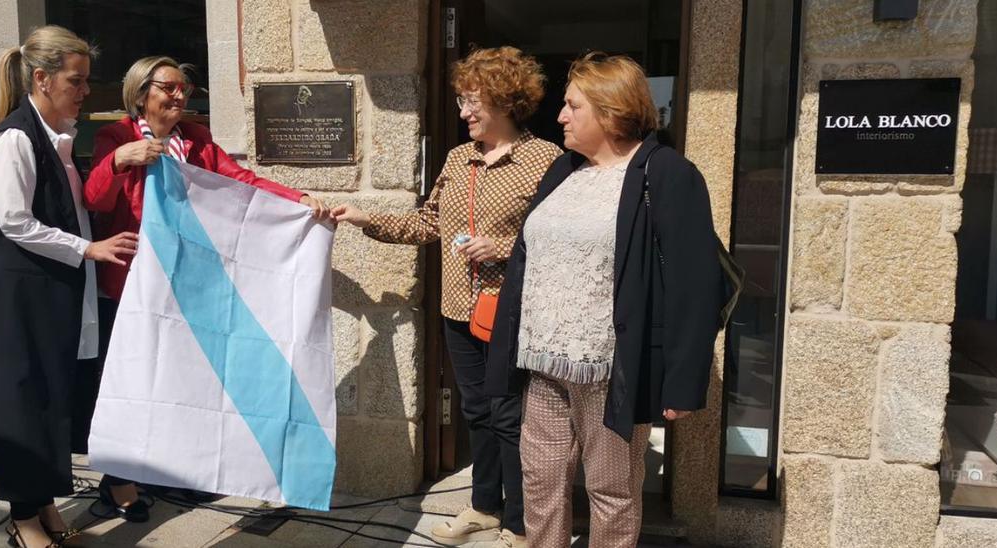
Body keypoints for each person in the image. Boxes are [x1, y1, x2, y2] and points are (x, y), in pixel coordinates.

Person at [485, 53, 722, 547]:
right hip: (542, 359)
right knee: (540, 481)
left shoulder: (666, 173)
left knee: (611, 490)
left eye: (572, 106)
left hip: (608, 366)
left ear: (610, 110)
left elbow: (694, 283)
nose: (560, 116)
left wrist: (682, 381)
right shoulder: (562, 171)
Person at [81, 55, 329, 520]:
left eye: (184, 90)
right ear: (141, 94)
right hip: (134, 281)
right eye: (169, 88)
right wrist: (119, 161)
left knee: (185, 376)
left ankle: (180, 470)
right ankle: (118, 483)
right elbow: (94, 200)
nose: (179, 97)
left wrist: (297, 200)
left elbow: (239, 182)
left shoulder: (195, 138)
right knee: (136, 379)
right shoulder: (114, 136)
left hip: (191, 282)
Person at [332, 46, 559, 548]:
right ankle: (483, 507)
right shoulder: (459, 159)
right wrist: (364, 217)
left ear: (504, 98)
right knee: (476, 411)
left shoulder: (546, 160)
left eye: (471, 101)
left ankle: (522, 525)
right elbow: (427, 222)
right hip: (458, 308)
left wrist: (499, 246)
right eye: (460, 101)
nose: (463, 113)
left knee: (511, 417)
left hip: (511, 312)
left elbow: (558, 237)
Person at [0, 25, 137, 548]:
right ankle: (24, 520)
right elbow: (14, 221)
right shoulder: (14, 139)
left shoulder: (55, 141)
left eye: (86, 81)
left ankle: (46, 508)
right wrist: (87, 250)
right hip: (17, 302)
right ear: (43, 79)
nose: (84, 91)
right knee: (23, 407)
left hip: (46, 297)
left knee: (48, 403)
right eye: (76, 81)